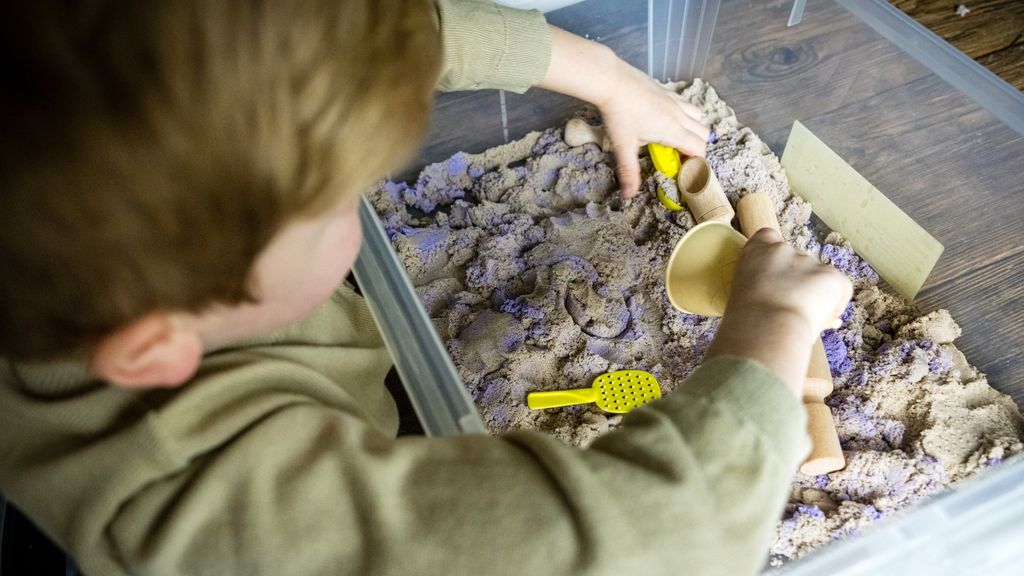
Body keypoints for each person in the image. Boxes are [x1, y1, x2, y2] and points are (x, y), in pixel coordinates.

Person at [0, 1, 852, 575]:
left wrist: (599, 72)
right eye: (337, 203)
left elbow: (362, 29)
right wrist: (771, 331)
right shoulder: (218, 508)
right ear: (154, 347)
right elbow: (664, 538)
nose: (362, 205)